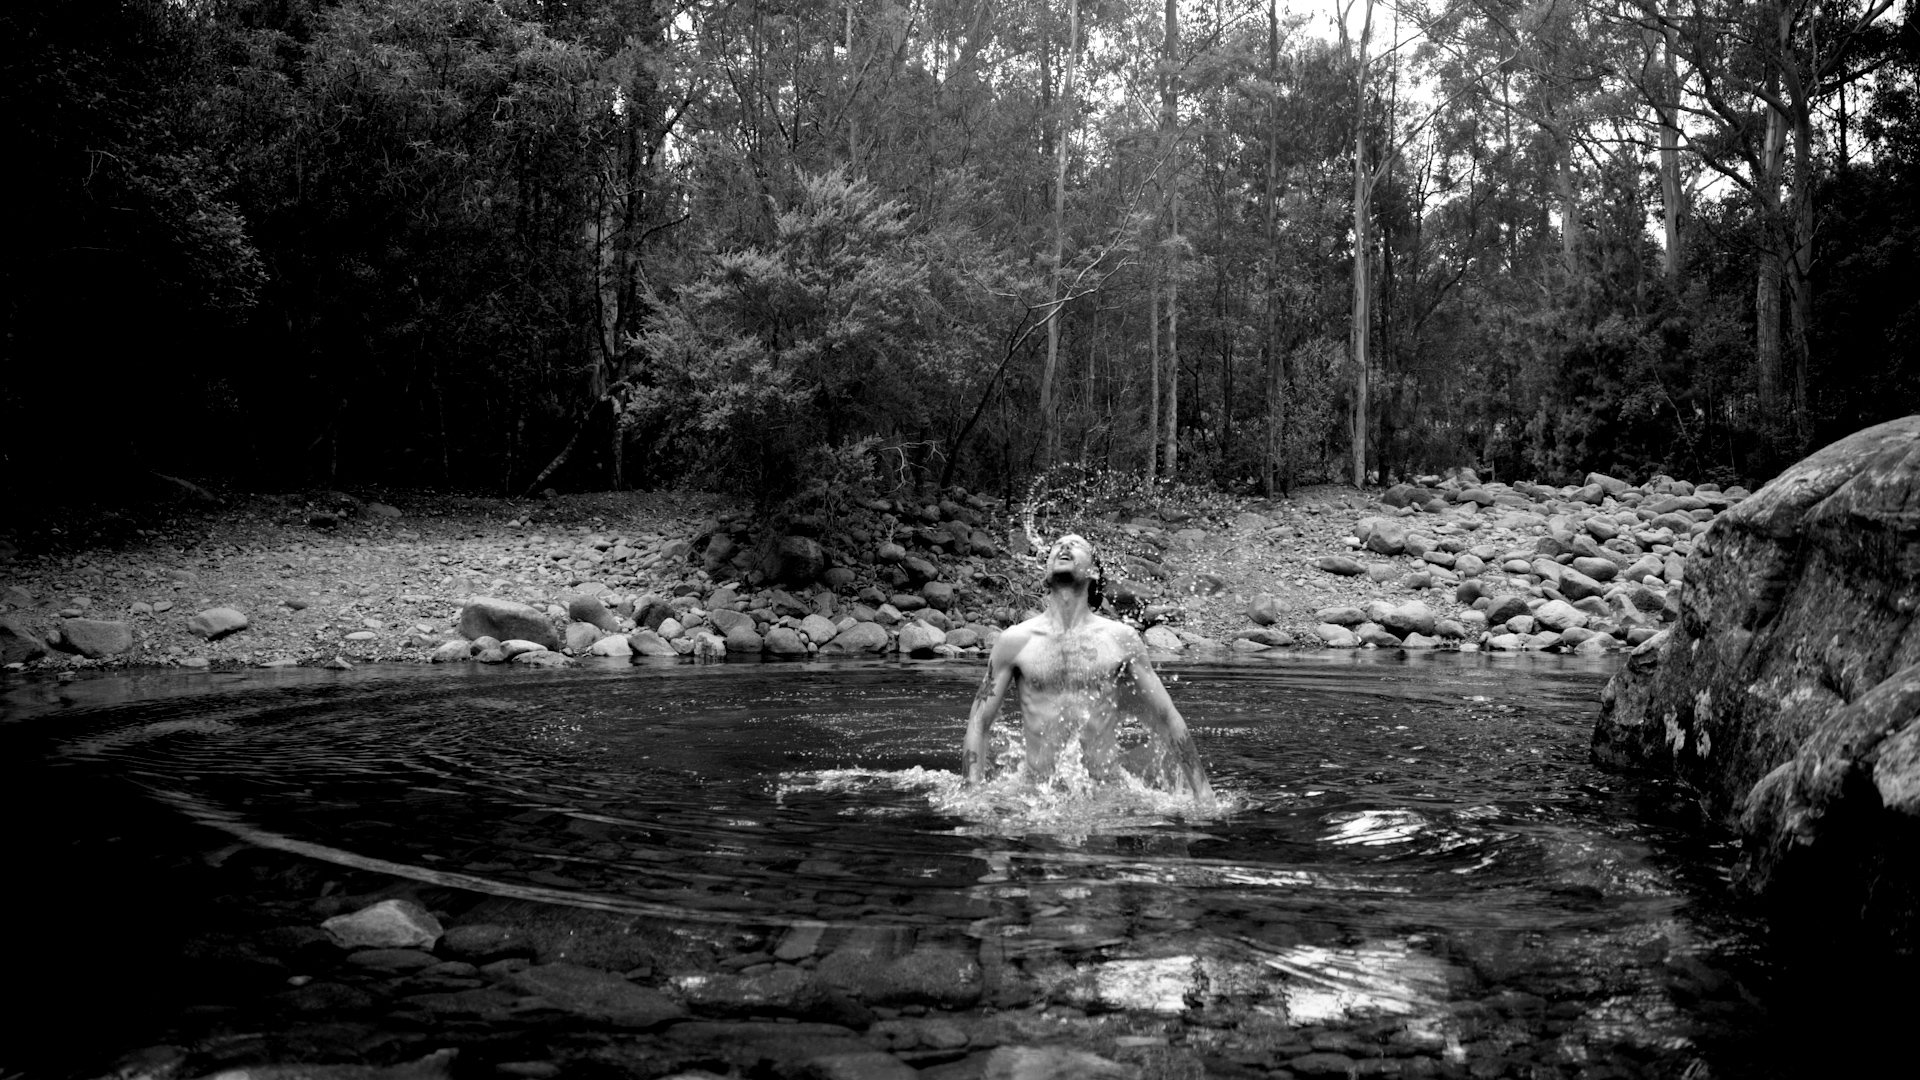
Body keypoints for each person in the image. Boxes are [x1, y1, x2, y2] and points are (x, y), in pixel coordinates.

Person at [962, 533, 1213, 801]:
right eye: (1057, 545)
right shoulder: (1015, 641)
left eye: (1077, 545)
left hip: (1105, 794)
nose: (1065, 546)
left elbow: (1166, 717)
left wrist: (1203, 791)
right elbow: (980, 722)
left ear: (1093, 572)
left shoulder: (1120, 639)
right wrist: (971, 792)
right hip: (1037, 796)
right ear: (1046, 572)